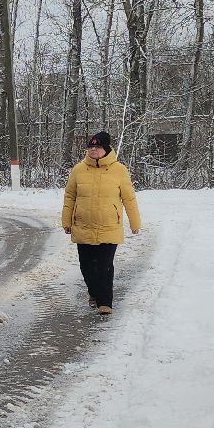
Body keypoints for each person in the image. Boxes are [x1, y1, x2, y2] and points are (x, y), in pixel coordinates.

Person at [61, 131, 143, 314]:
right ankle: (94, 292)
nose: (93, 150)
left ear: (106, 149)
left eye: (97, 147)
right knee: (87, 266)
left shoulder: (119, 170)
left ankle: (105, 302)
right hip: (83, 226)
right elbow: (69, 196)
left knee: (104, 266)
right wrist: (66, 221)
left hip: (109, 227)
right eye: (90, 147)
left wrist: (135, 223)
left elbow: (129, 198)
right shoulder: (78, 170)